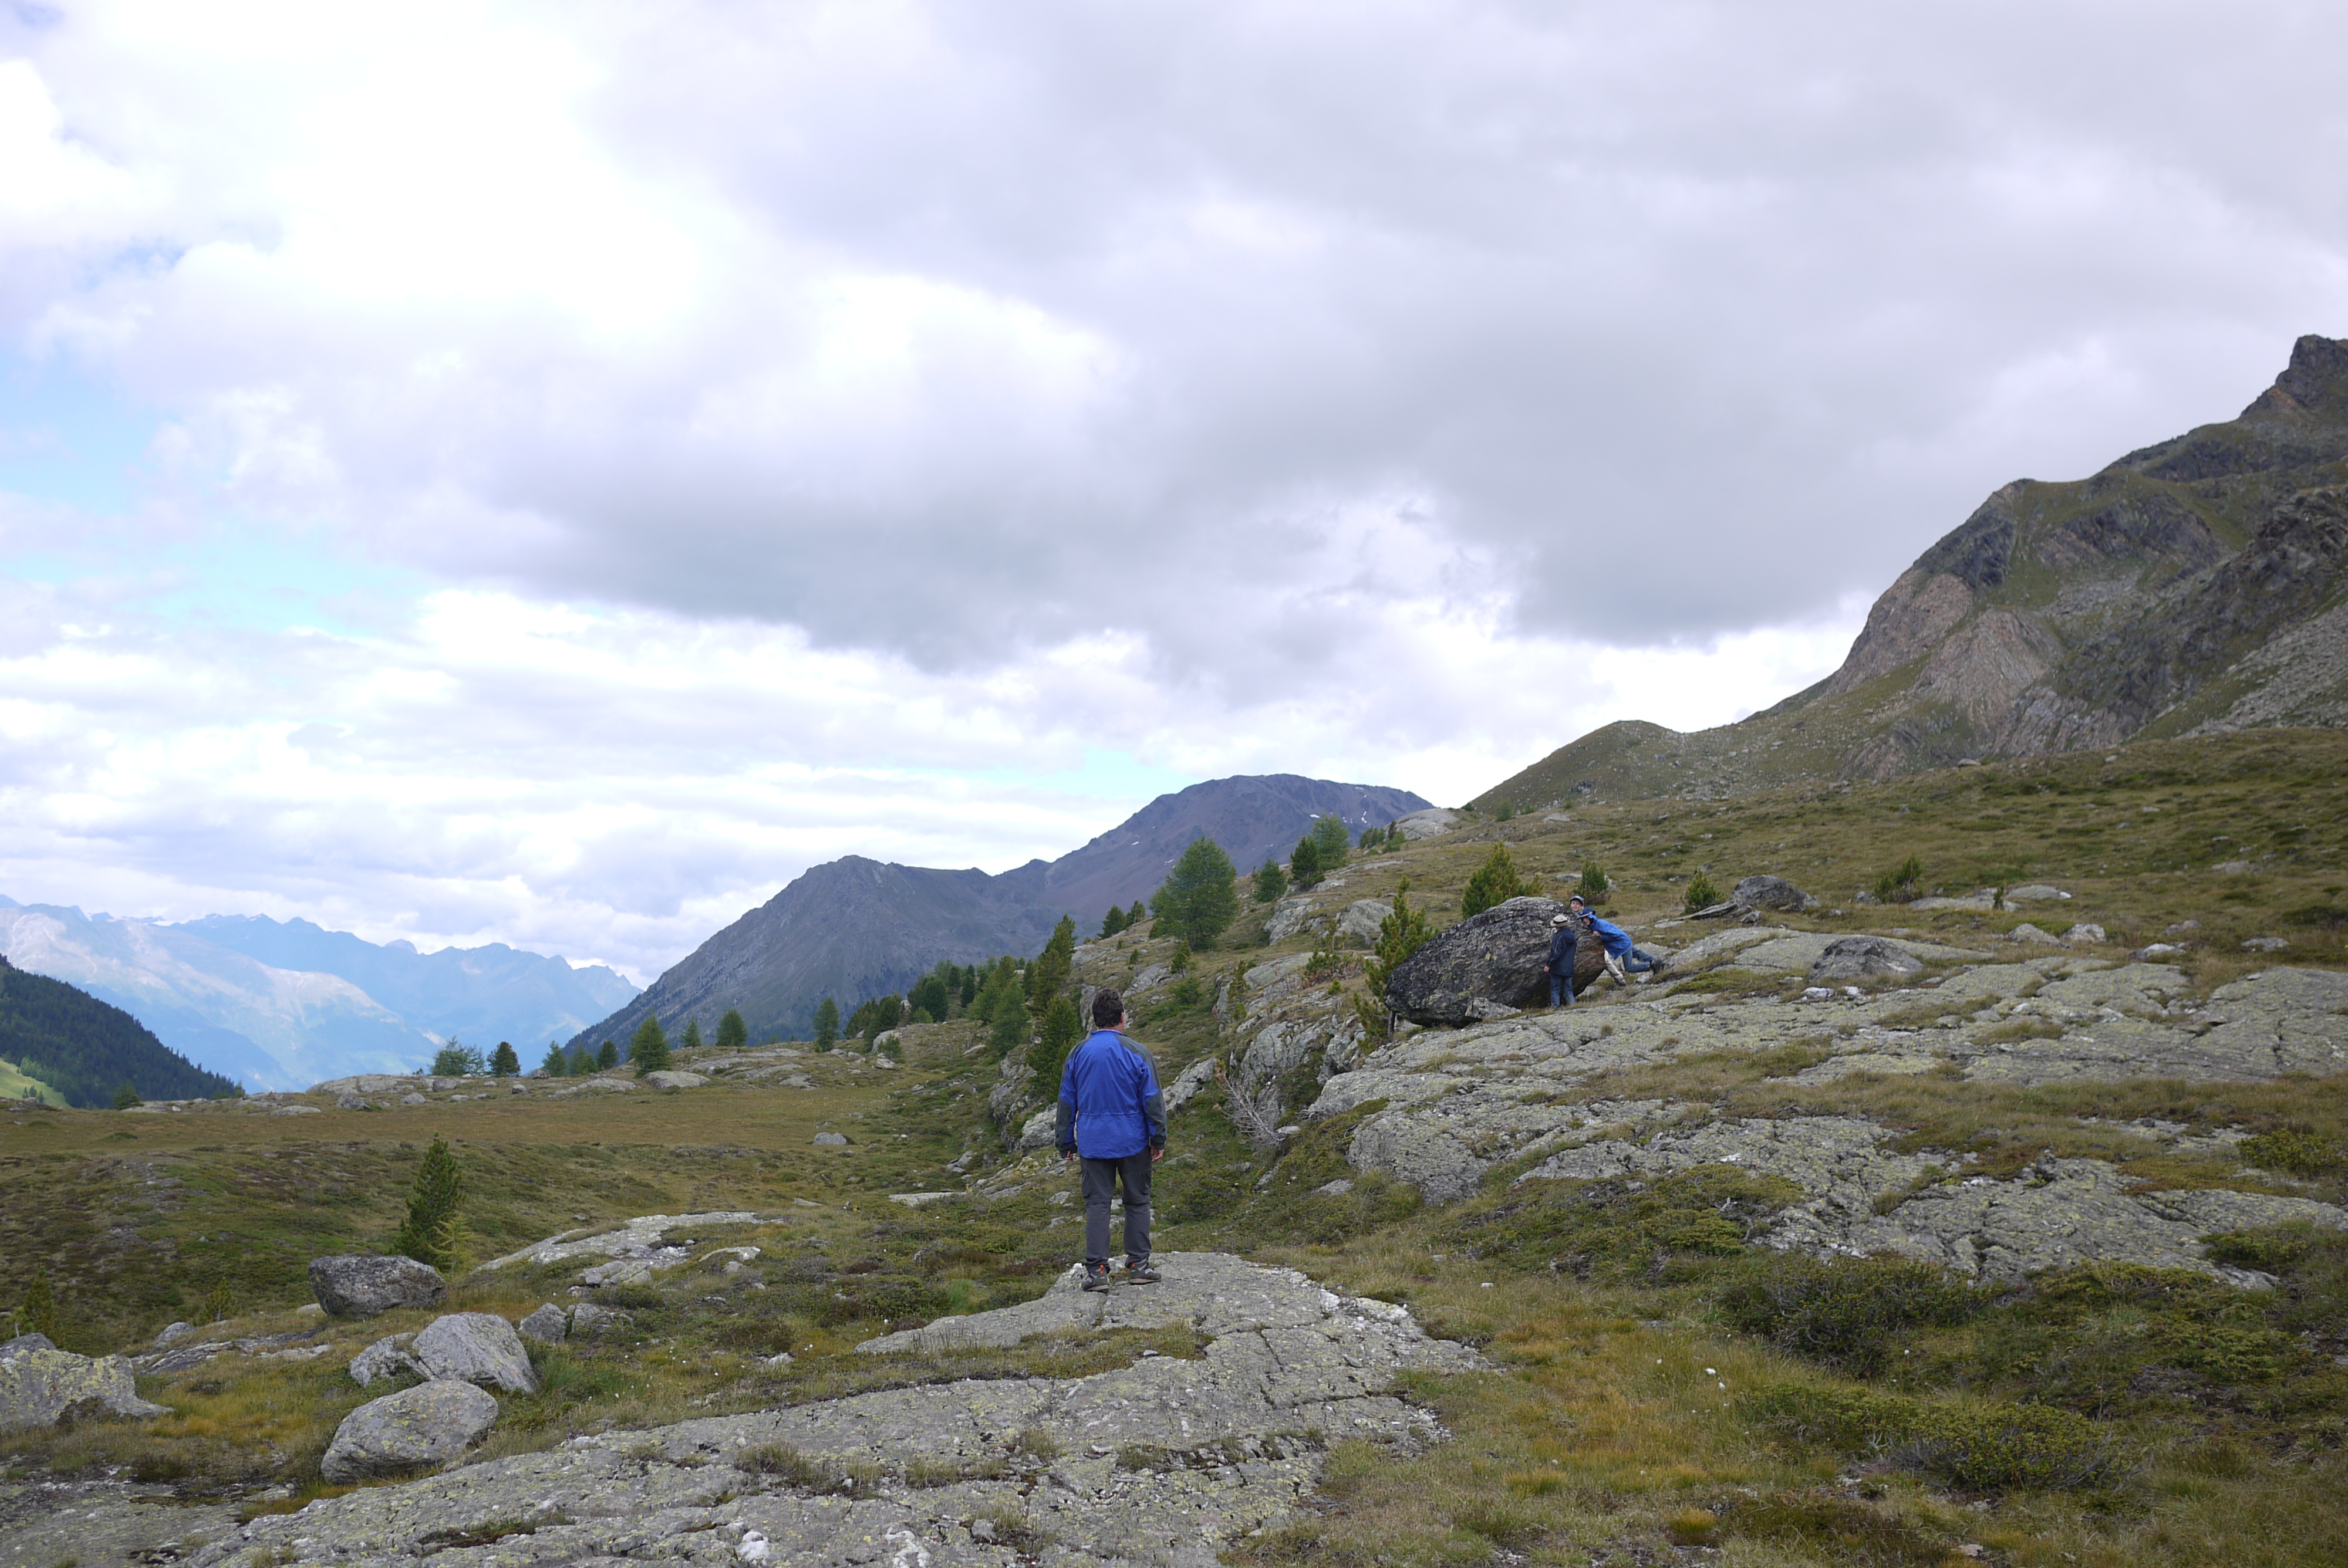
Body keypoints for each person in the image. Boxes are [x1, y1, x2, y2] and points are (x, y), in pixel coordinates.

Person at [1056, 987, 1166, 1289]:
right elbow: (1153, 1101)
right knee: (1138, 1202)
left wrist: (1065, 1142)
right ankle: (1138, 1265)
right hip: (1133, 1141)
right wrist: (1158, 1139)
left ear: (1094, 1019)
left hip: (1094, 1143)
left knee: (1098, 1205)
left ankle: (1097, 1272)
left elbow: (1067, 1101)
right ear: (1121, 1018)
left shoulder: (1078, 1053)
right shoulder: (1137, 1052)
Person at [1568, 894, 1666, 985]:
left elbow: (1615, 935)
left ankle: (1651, 966)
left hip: (1623, 945)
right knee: (1639, 954)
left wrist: (1602, 937)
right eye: (1583, 919)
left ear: (1590, 917)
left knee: (1629, 968)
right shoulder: (1593, 925)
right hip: (1624, 943)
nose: (1584, 921)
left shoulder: (1600, 925)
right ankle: (1658, 962)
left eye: (1586, 918)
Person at [1546, 911, 1579, 1007]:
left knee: (1555, 990)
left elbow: (1556, 953)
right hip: (1569, 968)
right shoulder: (1572, 935)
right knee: (1568, 991)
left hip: (1557, 969)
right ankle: (1574, 1007)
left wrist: (1548, 965)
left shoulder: (1559, 936)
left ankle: (1555, 1008)